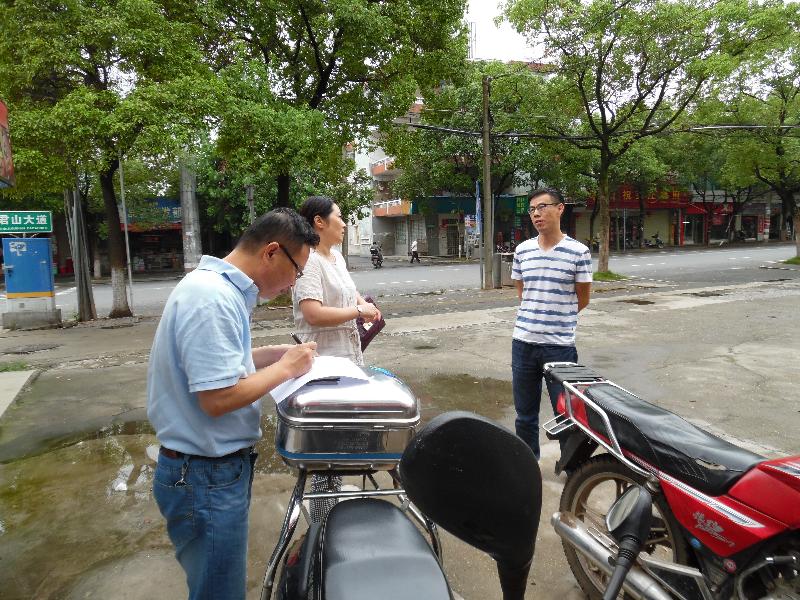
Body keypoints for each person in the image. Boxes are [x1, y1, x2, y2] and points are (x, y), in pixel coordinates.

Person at [147, 208, 319, 600]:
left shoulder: (214, 288)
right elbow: (218, 398)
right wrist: (286, 368)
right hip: (204, 476)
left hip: (208, 471)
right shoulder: (211, 298)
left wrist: (268, 355)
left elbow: (218, 366)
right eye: (297, 270)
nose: (294, 283)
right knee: (219, 592)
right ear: (271, 252)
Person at [292, 196, 381, 520]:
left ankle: (332, 513)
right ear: (319, 222)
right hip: (323, 365)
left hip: (348, 359)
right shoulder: (309, 261)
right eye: (339, 217)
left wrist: (364, 306)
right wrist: (357, 311)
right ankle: (321, 524)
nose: (344, 224)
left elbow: (350, 291)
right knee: (326, 449)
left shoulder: (336, 257)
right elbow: (313, 314)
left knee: (343, 439)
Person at [510, 188, 592, 460]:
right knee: (524, 415)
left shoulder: (578, 252)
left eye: (543, 207)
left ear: (560, 208)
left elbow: (583, 298)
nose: (537, 214)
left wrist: (558, 317)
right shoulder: (522, 250)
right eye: (532, 209)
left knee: (566, 414)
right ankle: (527, 464)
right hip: (523, 344)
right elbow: (523, 292)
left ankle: (572, 469)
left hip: (559, 347)